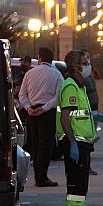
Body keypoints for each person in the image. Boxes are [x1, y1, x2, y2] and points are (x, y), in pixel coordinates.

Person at [57, 49, 103, 206]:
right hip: (75, 143)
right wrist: (73, 144)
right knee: (76, 189)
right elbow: (65, 117)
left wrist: (94, 116)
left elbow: (78, 113)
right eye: (85, 62)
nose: (89, 65)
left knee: (80, 188)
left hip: (83, 143)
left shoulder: (80, 86)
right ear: (76, 65)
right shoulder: (70, 86)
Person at [19, 47, 63, 187]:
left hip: (32, 113)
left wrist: (29, 108)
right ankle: (42, 177)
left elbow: (22, 94)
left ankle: (39, 177)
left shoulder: (29, 73)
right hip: (47, 113)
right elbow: (58, 97)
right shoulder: (57, 74)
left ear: (39, 58)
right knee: (46, 145)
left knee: (36, 144)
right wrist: (43, 109)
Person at [82, 50, 100, 176]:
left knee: (90, 142)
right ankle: (85, 167)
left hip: (93, 111)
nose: (88, 62)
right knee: (86, 143)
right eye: (85, 60)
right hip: (86, 114)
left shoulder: (89, 76)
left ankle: (87, 166)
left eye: (88, 58)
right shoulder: (79, 78)